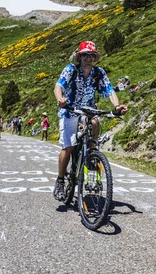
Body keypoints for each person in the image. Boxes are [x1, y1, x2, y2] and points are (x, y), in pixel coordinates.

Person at [53, 41, 127, 201]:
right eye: (85, 55)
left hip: (88, 110)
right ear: (79, 57)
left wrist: (117, 106)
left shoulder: (98, 73)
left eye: (92, 55)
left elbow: (109, 90)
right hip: (70, 111)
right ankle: (60, 180)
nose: (89, 58)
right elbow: (58, 86)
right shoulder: (71, 69)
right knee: (69, 146)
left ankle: (92, 171)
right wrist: (60, 99)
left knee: (94, 127)